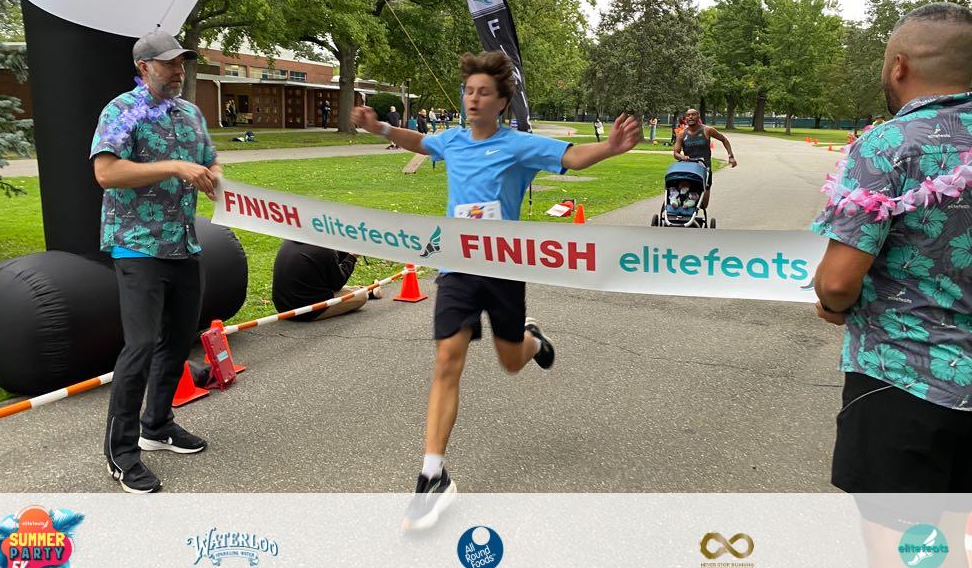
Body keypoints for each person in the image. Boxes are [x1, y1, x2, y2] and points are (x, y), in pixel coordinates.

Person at [352, 50, 640, 531]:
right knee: (448, 358)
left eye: (484, 92)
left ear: (502, 102)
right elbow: (421, 142)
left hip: (503, 269)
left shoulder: (519, 145)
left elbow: (571, 158)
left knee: (511, 361)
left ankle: (533, 341)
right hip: (457, 268)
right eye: (469, 91)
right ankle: (432, 474)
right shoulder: (452, 140)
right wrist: (379, 127)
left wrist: (609, 148)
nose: (473, 99)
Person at [811, 2, 972, 568]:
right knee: (949, 549)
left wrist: (833, 306)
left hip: (905, 385)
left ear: (899, 66)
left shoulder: (889, 145)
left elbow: (837, 280)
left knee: (906, 563)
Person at [90, 31, 221, 494]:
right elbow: (106, 172)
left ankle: (158, 425)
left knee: (178, 340)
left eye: (182, 63)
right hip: (138, 245)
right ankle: (121, 453)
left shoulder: (190, 113)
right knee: (141, 346)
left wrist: (214, 177)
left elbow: (210, 161)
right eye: (169, 64)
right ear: (144, 67)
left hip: (183, 244)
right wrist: (174, 167)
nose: (178, 71)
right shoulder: (123, 111)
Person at [271, 241, 376, 320]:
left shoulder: (291, 240)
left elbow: (327, 264)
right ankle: (367, 292)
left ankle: (367, 290)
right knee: (362, 296)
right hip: (304, 311)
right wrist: (352, 257)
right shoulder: (325, 249)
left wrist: (345, 252)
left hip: (282, 306)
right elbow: (337, 283)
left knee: (345, 289)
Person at [672, 108, 737, 209]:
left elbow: (724, 139)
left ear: (698, 117)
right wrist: (682, 157)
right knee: (683, 188)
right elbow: (676, 153)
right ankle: (681, 203)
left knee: (703, 205)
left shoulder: (707, 130)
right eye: (688, 115)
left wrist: (731, 156)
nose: (691, 117)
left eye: (693, 114)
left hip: (705, 168)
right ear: (685, 118)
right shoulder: (682, 134)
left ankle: (692, 201)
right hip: (689, 168)